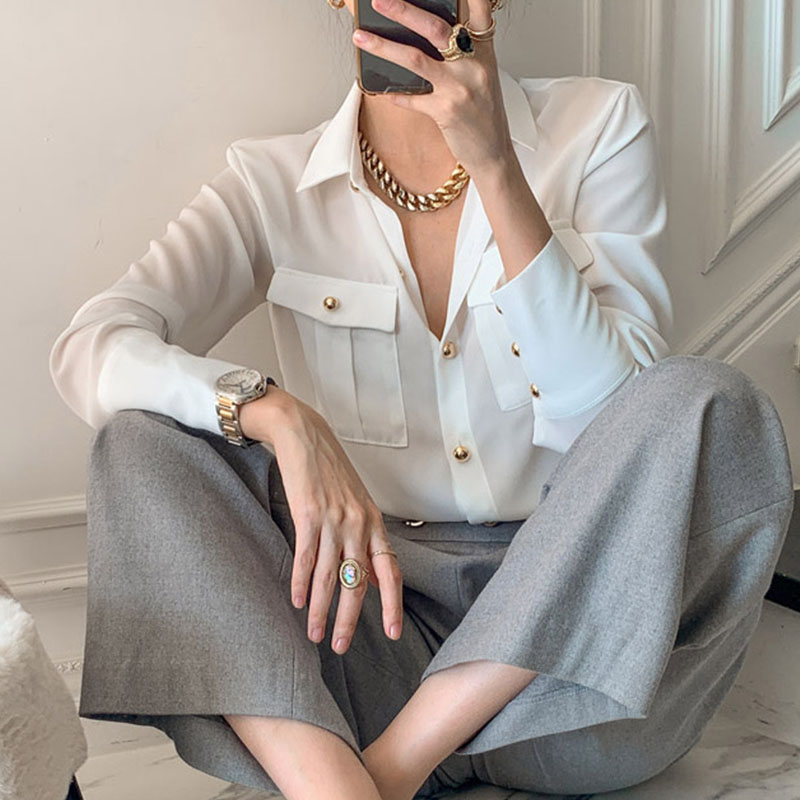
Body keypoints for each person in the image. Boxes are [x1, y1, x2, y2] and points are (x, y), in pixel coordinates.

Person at [48, 0, 795, 798]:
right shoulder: (271, 183)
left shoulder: (598, 126)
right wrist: (278, 415)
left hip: (567, 683)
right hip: (363, 646)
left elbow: (613, 420)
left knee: (709, 401)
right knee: (138, 442)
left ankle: (389, 774)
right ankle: (330, 785)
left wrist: (497, 166)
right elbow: (92, 346)